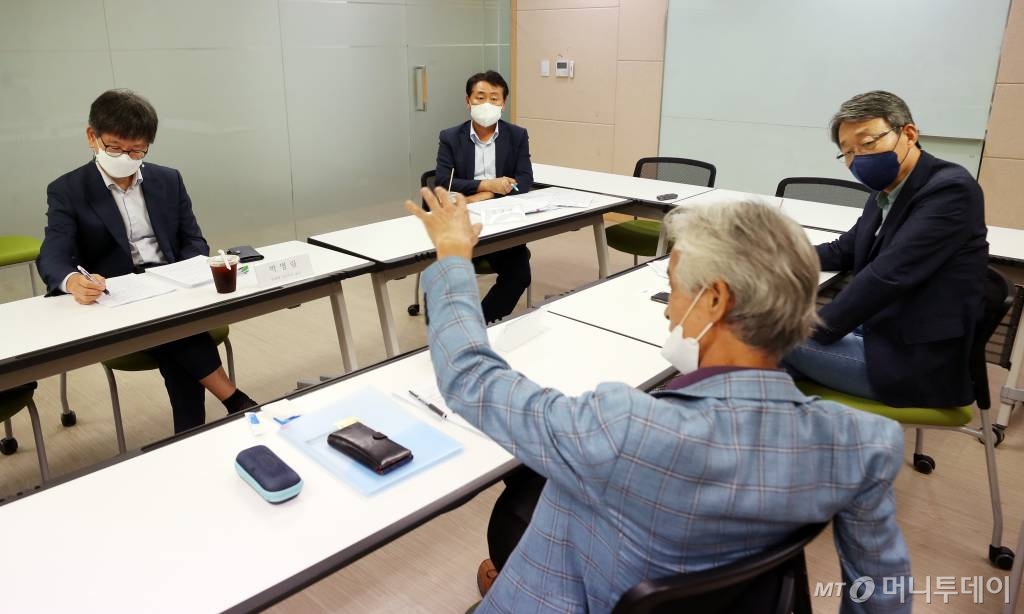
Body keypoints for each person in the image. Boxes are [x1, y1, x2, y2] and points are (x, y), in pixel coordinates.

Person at [404, 187, 912, 613]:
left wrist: (453, 256)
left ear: (714, 299)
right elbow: (884, 594)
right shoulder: (861, 444)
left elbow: (471, 377)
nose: (669, 312)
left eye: (674, 290)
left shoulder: (620, 426)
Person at [36, 89, 257, 433]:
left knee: (172, 326)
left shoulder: (168, 179)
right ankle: (234, 402)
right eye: (115, 148)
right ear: (92, 137)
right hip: (117, 297)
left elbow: (194, 240)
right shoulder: (68, 189)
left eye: (137, 150)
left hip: (173, 287)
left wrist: (184, 274)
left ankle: (196, 432)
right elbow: (53, 254)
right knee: (177, 330)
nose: (126, 157)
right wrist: (73, 281)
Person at [785, 91, 989, 408]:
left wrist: (812, 327)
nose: (857, 159)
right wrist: (775, 258)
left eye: (867, 143)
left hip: (913, 362)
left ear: (908, 133)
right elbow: (845, 250)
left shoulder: (951, 189)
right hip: (879, 331)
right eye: (847, 152)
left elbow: (887, 276)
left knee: (754, 339)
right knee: (764, 359)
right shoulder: (889, 188)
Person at [435, 70, 534, 323]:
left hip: (502, 222)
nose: (487, 103)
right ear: (468, 101)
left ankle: (478, 323)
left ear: (503, 103)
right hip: (463, 224)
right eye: (480, 97)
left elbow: (525, 181)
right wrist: (487, 186)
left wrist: (488, 195)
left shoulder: (517, 135)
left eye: (494, 98)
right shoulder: (450, 137)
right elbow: (443, 182)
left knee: (519, 275)